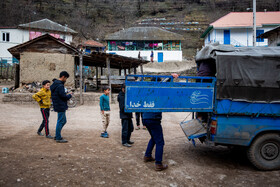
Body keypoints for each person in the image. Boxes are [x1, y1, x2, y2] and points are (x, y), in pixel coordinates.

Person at [142, 77, 168, 171]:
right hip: (153, 119)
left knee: (154, 137)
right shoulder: (157, 90)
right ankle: (158, 164)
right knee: (160, 142)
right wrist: (171, 77)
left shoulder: (147, 91)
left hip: (145, 118)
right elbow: (164, 83)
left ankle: (147, 156)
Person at [50, 71, 72, 143]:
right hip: (60, 105)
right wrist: (70, 95)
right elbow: (63, 96)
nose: (66, 80)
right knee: (60, 121)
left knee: (63, 121)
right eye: (66, 78)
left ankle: (57, 135)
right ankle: (58, 137)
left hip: (58, 104)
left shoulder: (55, 84)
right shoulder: (60, 85)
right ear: (63, 77)